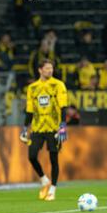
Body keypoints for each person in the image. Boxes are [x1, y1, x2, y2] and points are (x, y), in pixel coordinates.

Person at [20, 59, 68, 202]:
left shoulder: (58, 85)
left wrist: (63, 125)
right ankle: (44, 180)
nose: (50, 71)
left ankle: (52, 189)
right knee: (32, 155)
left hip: (54, 127)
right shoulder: (32, 88)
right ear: (40, 70)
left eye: (51, 68)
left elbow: (63, 106)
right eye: (47, 68)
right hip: (38, 127)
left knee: (54, 158)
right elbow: (29, 111)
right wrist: (24, 128)